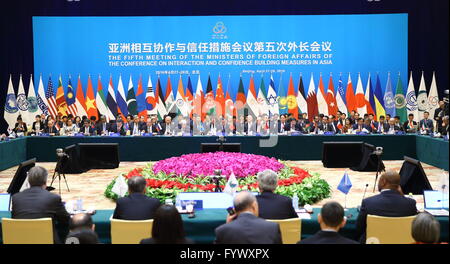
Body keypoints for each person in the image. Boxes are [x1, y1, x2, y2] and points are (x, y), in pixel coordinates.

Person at [11, 166, 70, 243]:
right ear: (45, 180)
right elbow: (65, 219)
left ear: (28, 180)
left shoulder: (16, 198)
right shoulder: (53, 198)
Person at [356, 170, 417, 243]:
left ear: (384, 181)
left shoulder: (368, 202)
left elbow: (359, 228)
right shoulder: (410, 203)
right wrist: (402, 196)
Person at [214, 191, 282, 244]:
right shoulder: (272, 228)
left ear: (235, 209)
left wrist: (227, 225)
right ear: (254, 206)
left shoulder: (222, 231)